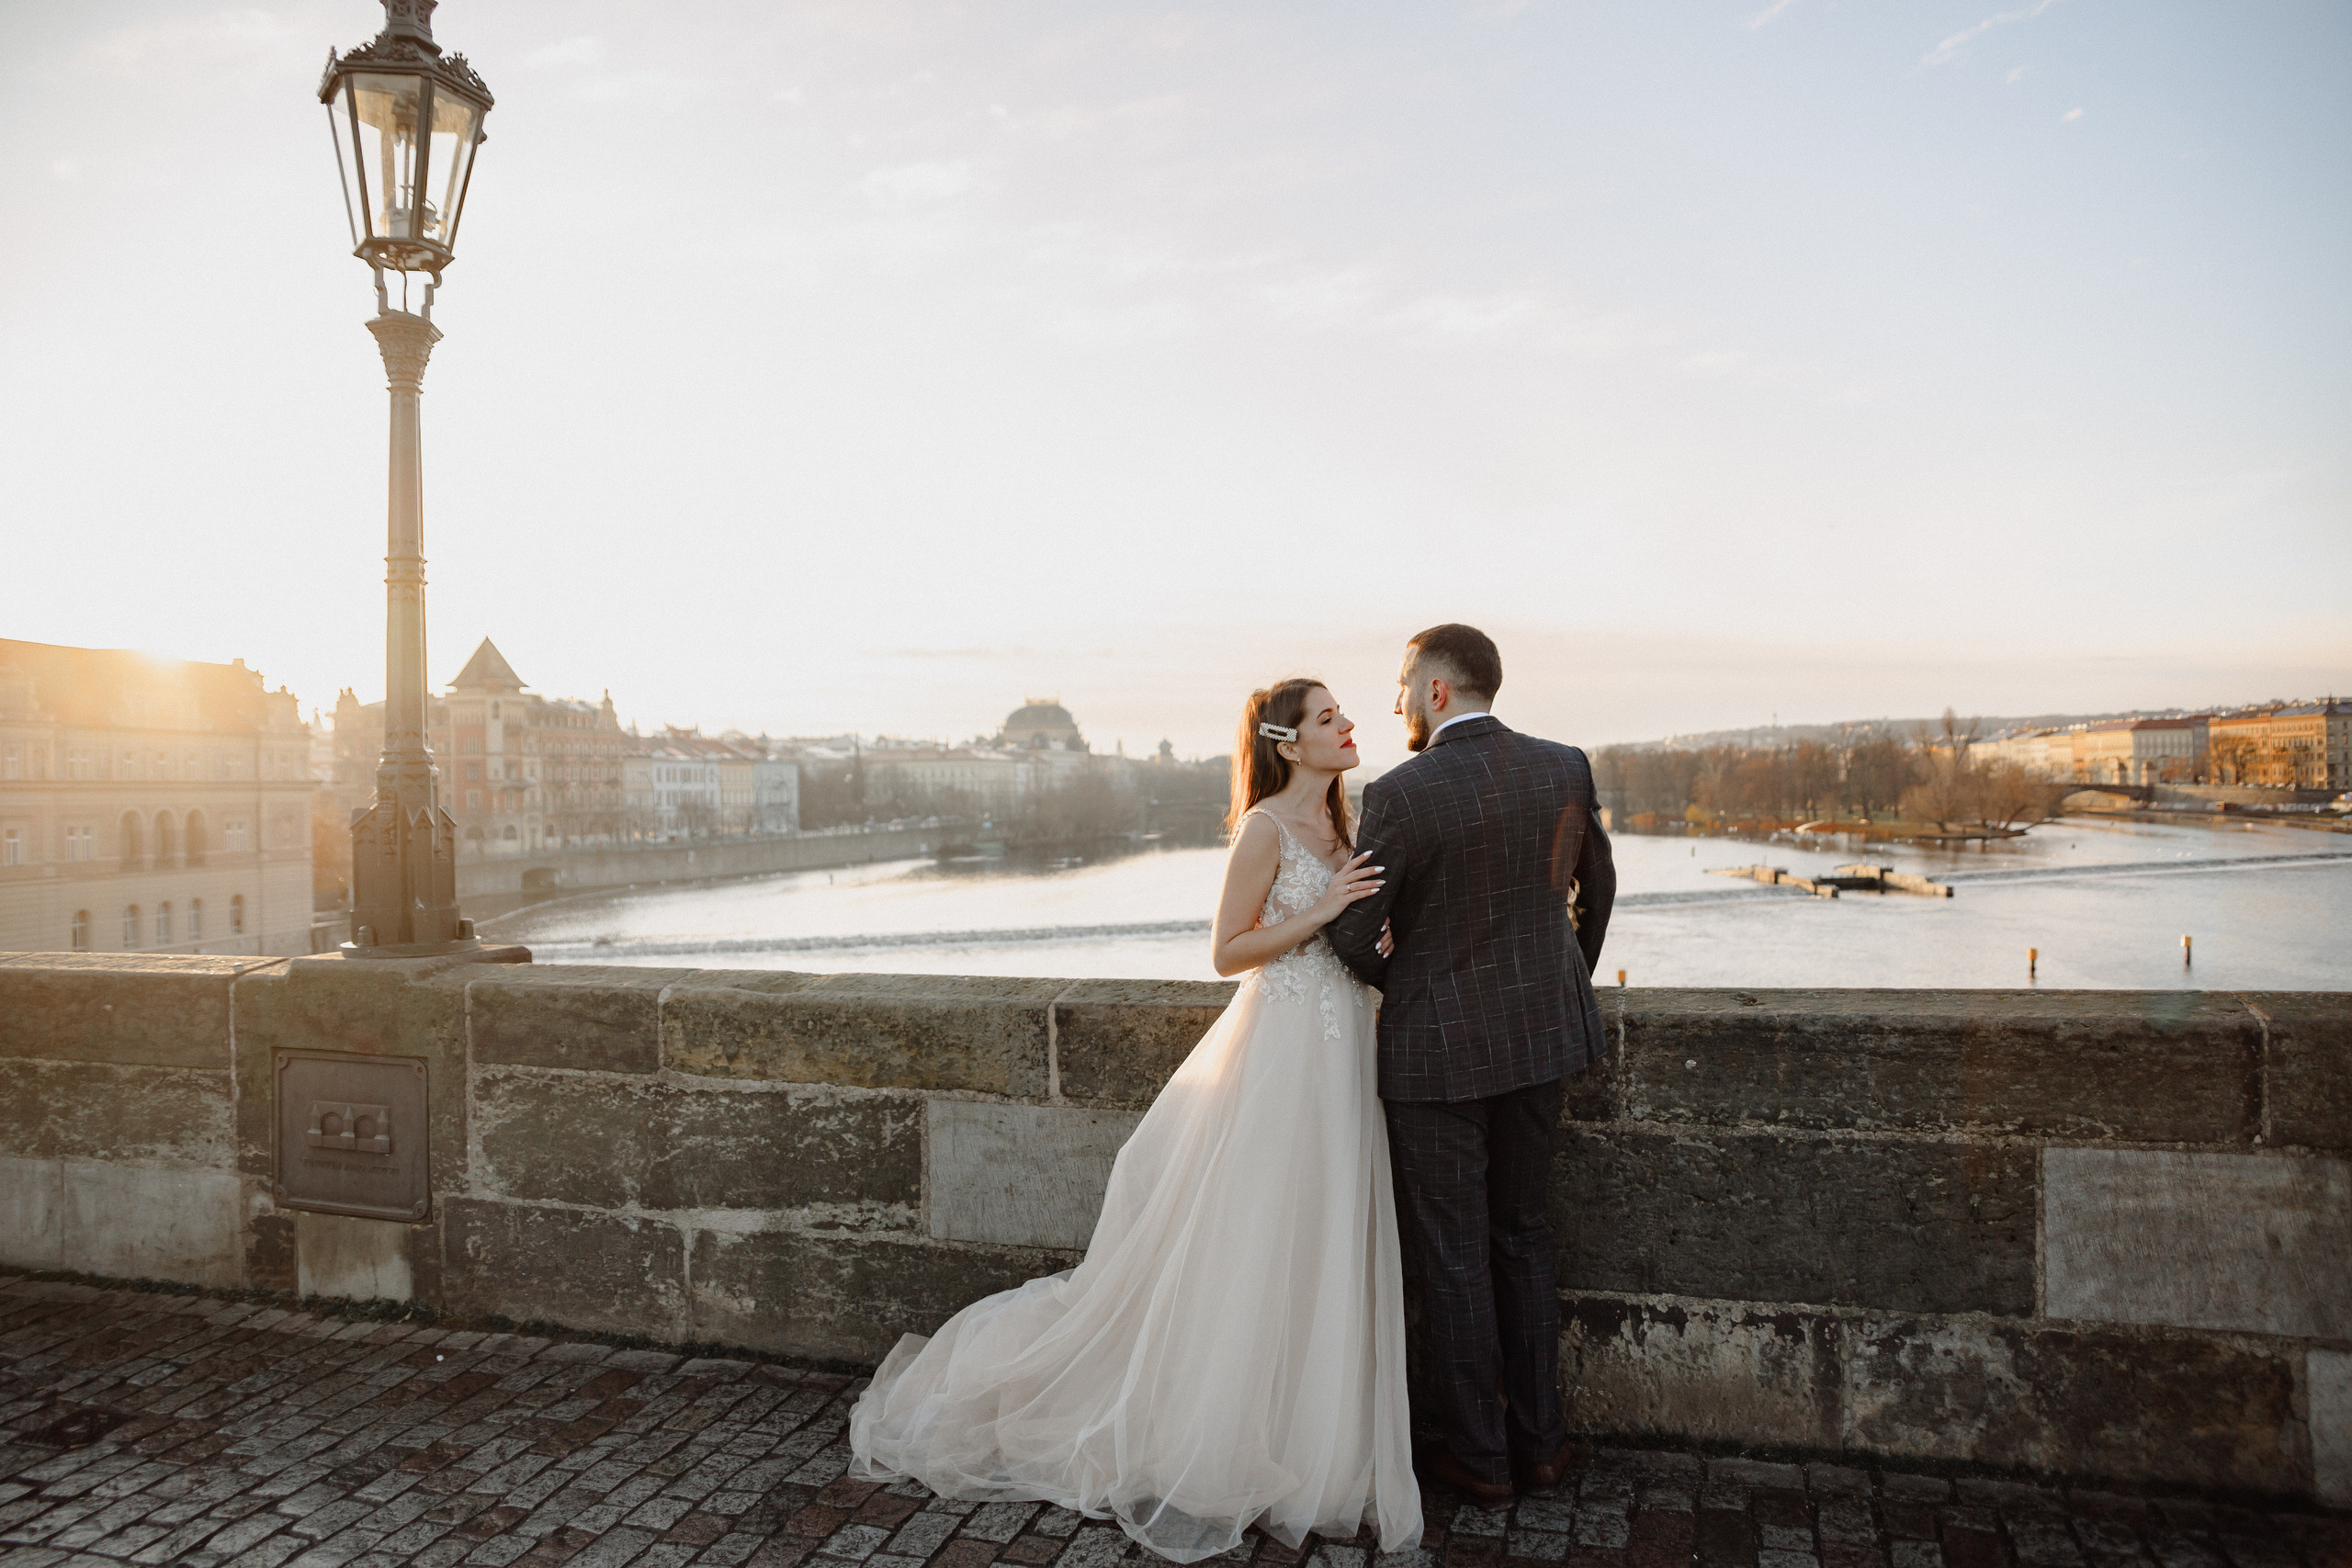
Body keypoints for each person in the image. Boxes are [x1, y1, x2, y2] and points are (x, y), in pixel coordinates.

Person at [850, 677, 1423, 1564]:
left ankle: (1311, 1434)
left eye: (1345, 714)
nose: (1350, 725)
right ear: (1286, 740)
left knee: (1322, 1228)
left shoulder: (1347, 827)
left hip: (1346, 1046)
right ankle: (1218, 1428)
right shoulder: (1266, 826)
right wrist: (1318, 912)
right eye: (1328, 718)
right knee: (1255, 1233)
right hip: (1281, 1054)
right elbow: (1227, 949)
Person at [1328, 623, 1615, 1504]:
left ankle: (1481, 1459)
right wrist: (1561, 981)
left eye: (1402, 686)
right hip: (1543, 1040)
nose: (1395, 703)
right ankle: (1543, 1447)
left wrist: (1402, 976)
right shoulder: (1564, 764)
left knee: (1453, 1256)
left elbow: (1349, 933)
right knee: (1523, 1237)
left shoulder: (1403, 792)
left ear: (1438, 691)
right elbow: (1595, 890)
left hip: (1437, 1057)